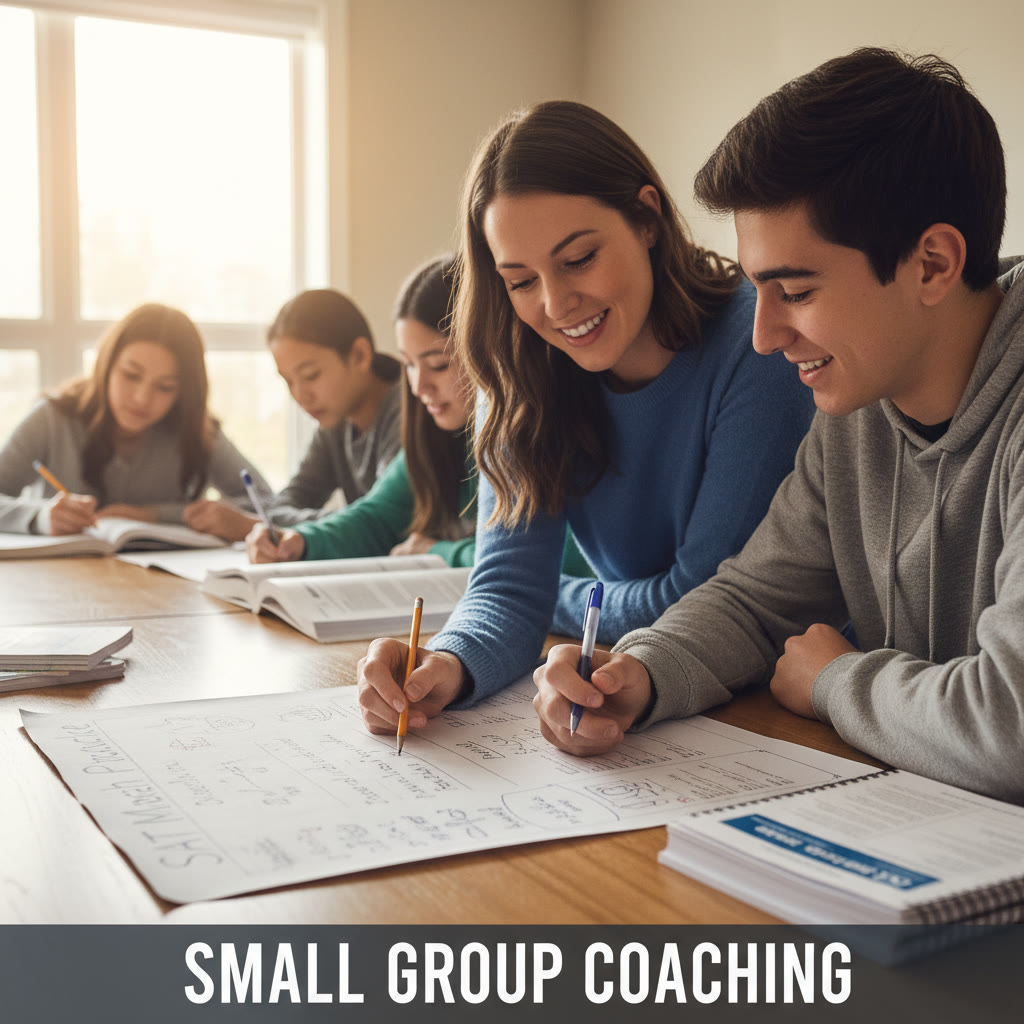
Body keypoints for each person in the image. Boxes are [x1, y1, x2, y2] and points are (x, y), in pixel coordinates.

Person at [532, 49, 1024, 804]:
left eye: (794, 291)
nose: (764, 337)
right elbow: (755, 601)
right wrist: (640, 671)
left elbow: (1010, 729)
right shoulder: (858, 403)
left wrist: (835, 680)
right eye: (757, 290)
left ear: (932, 264)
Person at [356, 100, 815, 735]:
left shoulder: (758, 345)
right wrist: (447, 664)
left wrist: (555, 597)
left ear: (647, 219)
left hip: (776, 699)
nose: (555, 305)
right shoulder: (517, 369)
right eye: (520, 281)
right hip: (636, 683)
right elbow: (508, 589)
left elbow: (703, 600)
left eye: (578, 260)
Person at [246, 254, 593, 575]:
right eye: (409, 365)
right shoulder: (434, 433)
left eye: (438, 365)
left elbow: (572, 556)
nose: (417, 386)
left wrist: (442, 552)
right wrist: (302, 542)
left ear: (492, 350)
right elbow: (377, 518)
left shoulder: (554, 430)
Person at [0, 303, 269, 535]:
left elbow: (268, 505)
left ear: (183, 393)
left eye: (165, 387)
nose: (142, 398)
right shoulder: (52, 418)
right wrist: (40, 517)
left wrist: (156, 515)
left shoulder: (197, 430)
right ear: (106, 365)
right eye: (130, 375)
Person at [184, 288, 402, 540]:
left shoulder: (409, 413)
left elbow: (381, 520)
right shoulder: (336, 422)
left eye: (311, 376)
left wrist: (255, 526)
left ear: (360, 356)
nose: (299, 395)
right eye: (288, 381)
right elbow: (286, 503)